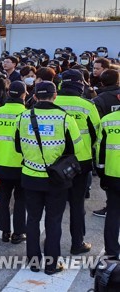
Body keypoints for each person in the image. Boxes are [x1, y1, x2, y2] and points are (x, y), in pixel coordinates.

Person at [15, 81, 85, 274]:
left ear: (35, 96)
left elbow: (18, 147)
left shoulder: (23, 117)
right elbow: (76, 149)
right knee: (53, 221)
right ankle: (52, 264)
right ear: (55, 96)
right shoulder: (65, 118)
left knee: (33, 219)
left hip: (30, 175)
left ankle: (34, 260)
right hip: (57, 179)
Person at [54, 69, 99, 253]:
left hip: (54, 162)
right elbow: (97, 133)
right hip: (81, 161)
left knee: (55, 204)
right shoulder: (87, 105)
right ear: (81, 84)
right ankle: (77, 243)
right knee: (77, 203)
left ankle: (51, 242)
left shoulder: (50, 102)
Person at [0, 81, 27, 244]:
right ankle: (18, 233)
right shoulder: (27, 114)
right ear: (24, 94)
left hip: (0, 162)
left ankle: (4, 231)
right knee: (20, 199)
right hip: (21, 164)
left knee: (3, 198)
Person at [92, 69, 120, 217]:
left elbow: (98, 129)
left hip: (109, 153)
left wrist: (99, 167)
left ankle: (110, 207)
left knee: (113, 193)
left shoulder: (99, 99)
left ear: (101, 82)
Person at [95, 96, 120, 259]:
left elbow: (100, 150)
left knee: (113, 211)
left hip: (113, 174)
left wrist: (101, 172)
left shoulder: (107, 120)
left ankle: (111, 250)